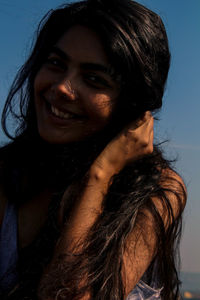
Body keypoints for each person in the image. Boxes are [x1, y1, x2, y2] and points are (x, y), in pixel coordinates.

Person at [0, 0, 186, 299]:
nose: (62, 87)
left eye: (93, 79)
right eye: (57, 63)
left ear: (132, 105)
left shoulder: (157, 190)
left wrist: (99, 177)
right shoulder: (6, 174)